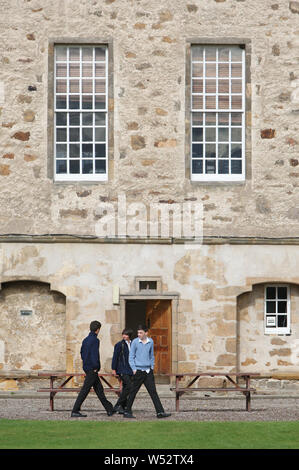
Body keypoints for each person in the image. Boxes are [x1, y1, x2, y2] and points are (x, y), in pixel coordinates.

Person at [123, 325, 171, 419]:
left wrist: (152, 367)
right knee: (133, 392)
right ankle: (127, 411)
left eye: (141, 333)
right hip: (138, 371)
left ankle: (160, 412)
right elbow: (131, 357)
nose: (139, 334)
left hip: (148, 371)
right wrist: (134, 369)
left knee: (153, 392)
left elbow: (151, 355)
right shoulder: (135, 342)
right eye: (138, 333)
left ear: (146, 333)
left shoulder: (150, 341)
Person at [71, 320, 114, 417]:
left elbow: (82, 353)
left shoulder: (85, 340)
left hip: (87, 367)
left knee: (99, 390)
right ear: (98, 330)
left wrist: (86, 364)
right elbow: (95, 355)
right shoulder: (95, 340)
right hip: (92, 369)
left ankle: (109, 409)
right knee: (85, 390)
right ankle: (75, 410)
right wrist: (95, 367)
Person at [111, 328, 134, 414]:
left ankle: (122, 407)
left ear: (129, 336)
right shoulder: (119, 344)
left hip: (130, 369)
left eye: (126, 334)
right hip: (122, 369)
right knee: (129, 386)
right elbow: (115, 357)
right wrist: (113, 369)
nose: (124, 336)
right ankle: (118, 405)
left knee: (126, 388)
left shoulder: (133, 344)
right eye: (123, 334)